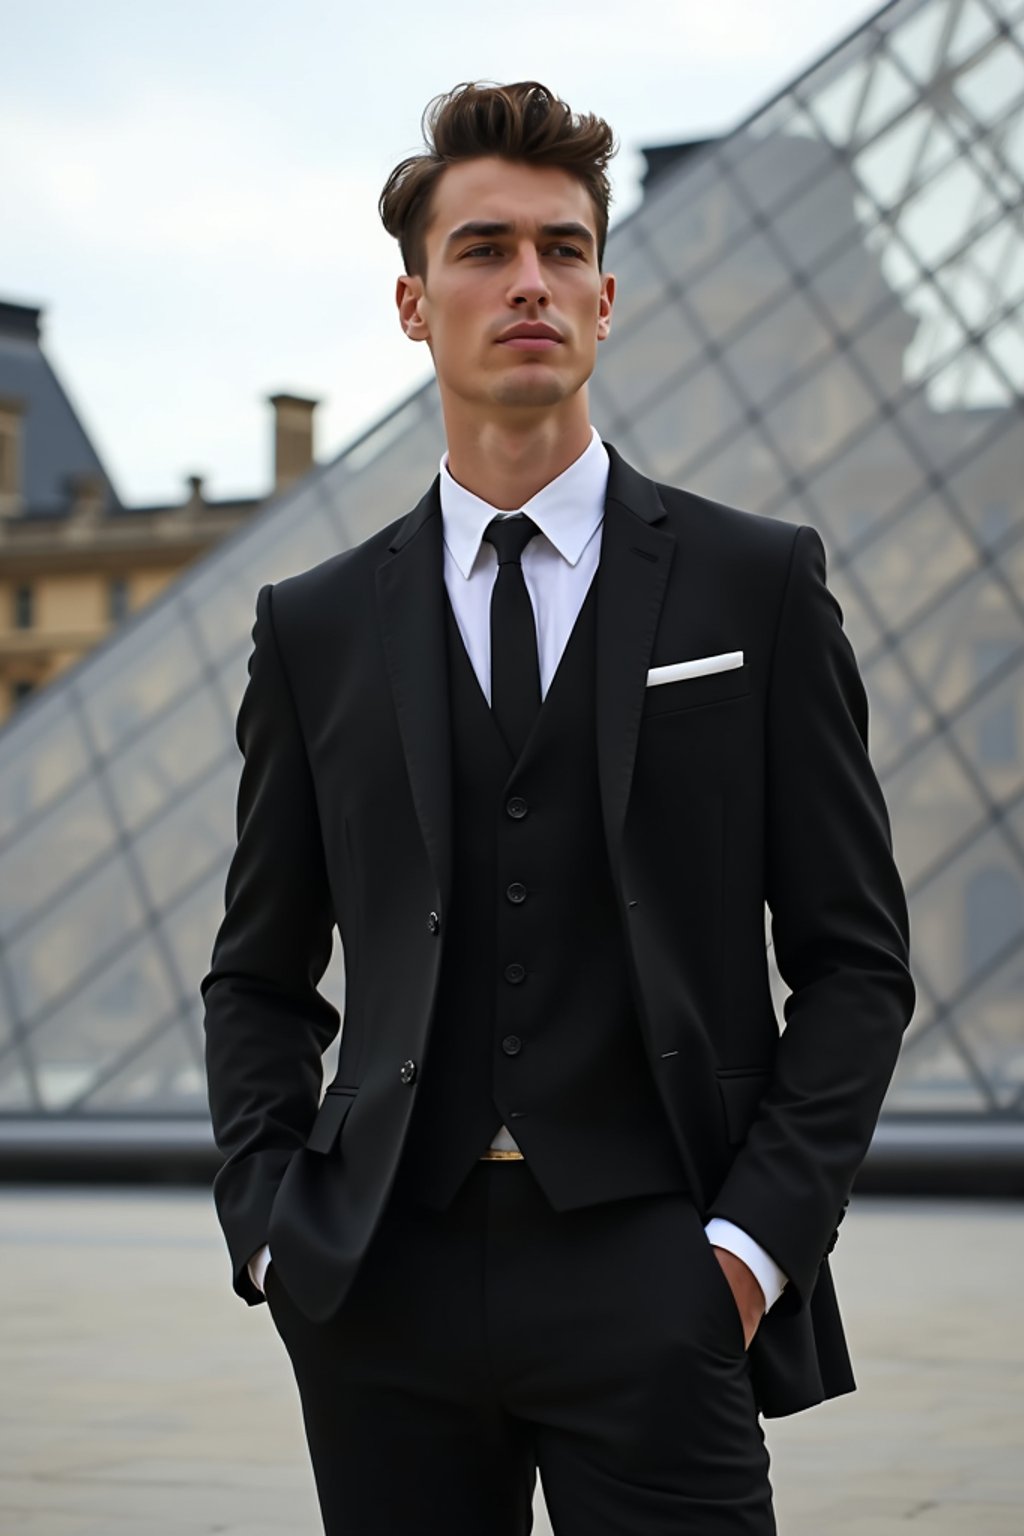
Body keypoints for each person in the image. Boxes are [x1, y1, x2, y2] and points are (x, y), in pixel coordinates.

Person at [201, 80, 915, 1536]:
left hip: (658, 1273)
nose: (529, 280)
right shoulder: (316, 625)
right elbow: (260, 972)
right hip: (379, 1284)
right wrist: (274, 1223)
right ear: (414, 303)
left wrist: (748, 1252)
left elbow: (857, 963)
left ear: (607, 292)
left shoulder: (756, 585)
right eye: (482, 249)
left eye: (562, 246)